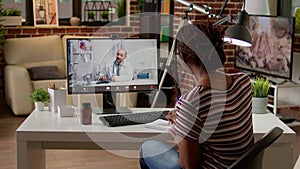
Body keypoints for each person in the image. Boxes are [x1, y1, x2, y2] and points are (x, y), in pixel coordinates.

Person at [139, 23, 254, 169]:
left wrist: (179, 128)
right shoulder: (243, 81)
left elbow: (188, 165)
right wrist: (184, 121)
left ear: (184, 57)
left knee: (147, 147)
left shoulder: (191, 103)